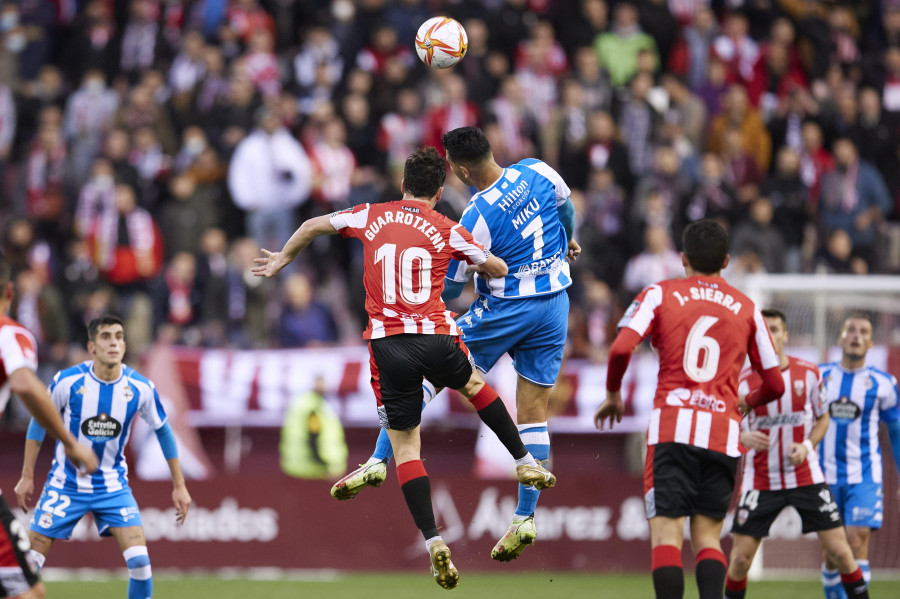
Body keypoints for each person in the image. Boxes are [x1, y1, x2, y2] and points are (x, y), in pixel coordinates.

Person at [252, 147, 556, 589]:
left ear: (402, 187)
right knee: (473, 384)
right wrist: (483, 265)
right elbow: (495, 264)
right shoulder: (445, 227)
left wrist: (284, 257)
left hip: (387, 345)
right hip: (434, 335)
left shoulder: (369, 215)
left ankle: (433, 540)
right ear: (437, 191)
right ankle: (525, 460)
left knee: (407, 447)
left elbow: (312, 225)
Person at [329, 126, 579, 563]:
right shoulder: (538, 169)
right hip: (556, 303)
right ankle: (524, 518)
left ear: (461, 171)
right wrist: (569, 240)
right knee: (534, 414)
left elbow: (446, 291)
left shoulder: (477, 215)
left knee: (428, 373)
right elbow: (567, 210)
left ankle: (378, 459)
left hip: (505, 311)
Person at [594, 219, 785, 599]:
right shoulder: (747, 309)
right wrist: (744, 402)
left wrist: (614, 394)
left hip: (672, 429)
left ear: (682, 259)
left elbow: (619, 349)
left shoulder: (660, 293)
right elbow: (775, 383)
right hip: (723, 434)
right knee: (708, 539)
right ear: (726, 260)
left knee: (666, 535)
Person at [14, 315, 192, 599]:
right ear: (92, 347)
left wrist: (179, 485)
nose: (114, 343)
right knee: (28, 566)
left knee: (140, 564)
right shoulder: (67, 381)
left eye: (119, 337)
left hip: (112, 487)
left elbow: (164, 431)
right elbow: (38, 424)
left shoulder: (140, 387)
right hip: (65, 485)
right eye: (106, 337)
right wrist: (26, 476)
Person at [724, 309, 868, 599]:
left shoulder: (809, 373)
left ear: (785, 335)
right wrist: (741, 435)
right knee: (740, 561)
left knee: (841, 552)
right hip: (760, 480)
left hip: (805, 477)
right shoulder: (740, 381)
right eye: (764, 330)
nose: (770, 335)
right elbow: (723, 424)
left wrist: (806, 446)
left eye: (775, 329)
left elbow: (823, 418)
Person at [0, 257, 98, 599]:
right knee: (28, 592)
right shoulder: (9, 332)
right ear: (10, 292)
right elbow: (25, 384)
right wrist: (70, 443)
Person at [817, 314, 900, 599]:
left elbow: (897, 433)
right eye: (850, 330)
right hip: (824, 476)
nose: (856, 335)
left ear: (871, 342)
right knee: (833, 553)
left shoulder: (884, 384)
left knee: (855, 542)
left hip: (864, 476)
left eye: (863, 331)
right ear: (840, 338)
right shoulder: (820, 377)